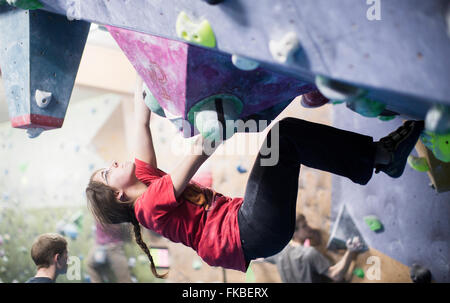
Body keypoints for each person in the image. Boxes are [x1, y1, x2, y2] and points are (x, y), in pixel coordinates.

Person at [85, 76, 424, 278]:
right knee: (283, 137)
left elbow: (141, 122)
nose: (113, 163)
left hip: (248, 226)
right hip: (248, 232)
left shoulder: (143, 176)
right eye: (107, 172)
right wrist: (220, 126)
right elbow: (200, 153)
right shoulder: (147, 207)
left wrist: (143, 72)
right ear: (118, 195)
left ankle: (378, 158)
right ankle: (383, 157)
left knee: (285, 139)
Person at [264, 214, 363, 283]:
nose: (309, 228)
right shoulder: (308, 253)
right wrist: (351, 251)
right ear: (294, 233)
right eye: (304, 226)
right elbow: (335, 275)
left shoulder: (279, 253)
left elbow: (261, 257)